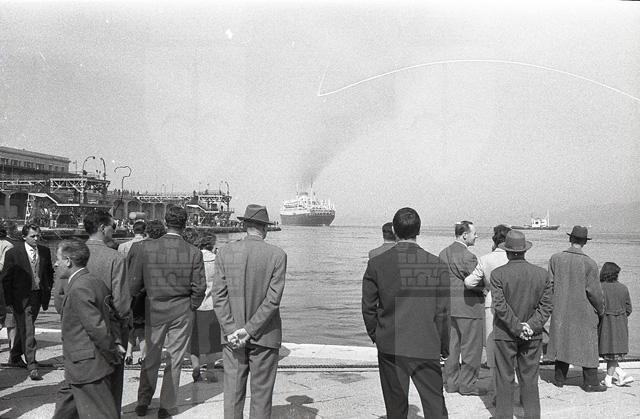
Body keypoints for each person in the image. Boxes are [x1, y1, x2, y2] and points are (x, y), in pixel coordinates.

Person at [362, 207, 450, 419]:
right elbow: (443, 312)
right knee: (435, 405)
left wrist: (377, 335)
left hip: (390, 343)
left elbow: (368, 307)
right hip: (426, 343)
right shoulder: (437, 264)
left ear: (394, 230)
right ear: (418, 230)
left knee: (395, 407)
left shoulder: (377, 263)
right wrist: (444, 345)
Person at [130, 206, 206, 418]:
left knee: (150, 355)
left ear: (165, 222)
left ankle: (143, 401)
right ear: (185, 224)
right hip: (182, 309)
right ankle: (166, 405)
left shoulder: (146, 248)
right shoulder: (194, 252)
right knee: (175, 358)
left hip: (154, 307)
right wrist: (192, 305)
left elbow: (134, 285)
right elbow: (199, 287)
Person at [213, 204, 287, 419]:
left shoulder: (224, 252)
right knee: (261, 395)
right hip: (265, 335)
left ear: (244, 225)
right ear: (265, 228)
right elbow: (272, 301)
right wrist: (249, 330)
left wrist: (231, 330)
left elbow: (219, 296)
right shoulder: (277, 255)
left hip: (232, 337)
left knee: (232, 393)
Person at [52, 239, 123, 419]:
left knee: (102, 414)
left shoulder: (79, 288)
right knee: (64, 410)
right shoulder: (95, 282)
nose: (55, 264)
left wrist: (111, 351)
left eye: (58, 259)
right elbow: (112, 316)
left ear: (68, 261)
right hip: (79, 366)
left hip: (87, 366)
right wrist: (116, 342)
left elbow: (97, 327)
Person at [490, 230, 553, 419]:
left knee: (504, 378)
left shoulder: (498, 274)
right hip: (533, 335)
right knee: (530, 379)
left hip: (505, 334)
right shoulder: (542, 274)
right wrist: (530, 326)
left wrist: (517, 327)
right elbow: (546, 306)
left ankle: (503, 416)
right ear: (525, 250)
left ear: (507, 251)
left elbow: (500, 306)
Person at [548, 225, 606, 392]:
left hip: (560, 310)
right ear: (585, 242)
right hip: (583, 311)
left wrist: (552, 307)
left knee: (562, 341)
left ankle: (559, 379)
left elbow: (549, 286)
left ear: (570, 238)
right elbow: (595, 293)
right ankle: (590, 382)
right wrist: (601, 310)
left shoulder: (555, 259)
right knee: (588, 345)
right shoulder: (590, 263)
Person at [83, 210, 129, 416]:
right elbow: (121, 302)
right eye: (113, 226)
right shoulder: (115, 258)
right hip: (110, 326)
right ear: (102, 228)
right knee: (113, 378)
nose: (114, 230)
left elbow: (59, 298)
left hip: (79, 327)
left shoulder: (72, 254)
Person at [0, 223, 54, 380]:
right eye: (33, 236)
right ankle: (32, 364)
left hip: (38, 296)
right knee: (29, 329)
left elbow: (49, 272)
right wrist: (8, 301)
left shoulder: (44, 251)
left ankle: (15, 356)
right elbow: (6, 278)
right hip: (20, 298)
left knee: (24, 327)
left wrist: (48, 288)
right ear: (24, 237)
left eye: (38, 235)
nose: (36, 238)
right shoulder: (13, 253)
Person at [439, 221, 485, 395]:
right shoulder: (469, 257)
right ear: (465, 235)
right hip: (469, 307)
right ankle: (468, 385)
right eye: (474, 233)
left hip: (449, 307)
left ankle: (451, 383)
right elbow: (477, 282)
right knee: (471, 349)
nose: (476, 236)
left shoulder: (443, 253)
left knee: (451, 348)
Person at [464, 224, 511, 392]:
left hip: (491, 300)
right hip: (511, 301)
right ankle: (511, 380)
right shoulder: (512, 258)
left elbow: (469, 282)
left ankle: (494, 382)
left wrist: (484, 286)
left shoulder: (485, 259)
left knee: (491, 342)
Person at [190, 234, 222, 382]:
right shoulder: (217, 260)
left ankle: (196, 367)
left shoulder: (193, 258)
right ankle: (210, 370)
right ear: (212, 245)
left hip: (195, 304)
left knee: (194, 339)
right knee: (211, 340)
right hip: (211, 304)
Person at [598, 262, 634, 387]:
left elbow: (597, 307)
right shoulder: (623, 288)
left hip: (605, 324)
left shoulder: (600, 287)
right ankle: (621, 374)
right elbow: (629, 309)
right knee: (614, 352)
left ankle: (609, 378)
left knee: (609, 351)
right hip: (620, 324)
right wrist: (620, 317)